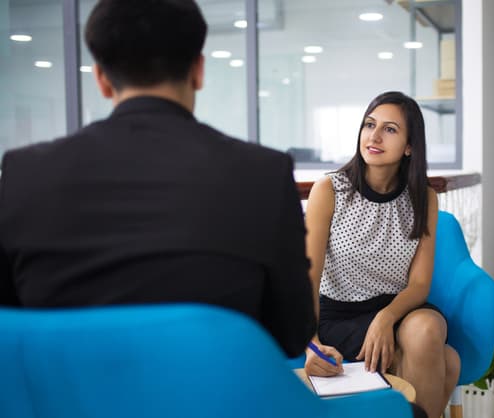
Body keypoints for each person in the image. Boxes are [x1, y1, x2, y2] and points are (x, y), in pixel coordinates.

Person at [0, 0, 315, 357]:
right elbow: (292, 333)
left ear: (101, 79)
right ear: (198, 71)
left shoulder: (22, 174)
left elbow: (9, 330)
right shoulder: (264, 174)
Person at [303, 91, 460, 418]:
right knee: (449, 362)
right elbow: (308, 277)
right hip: (340, 314)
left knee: (427, 330)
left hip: (397, 308)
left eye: (390, 129)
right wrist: (310, 343)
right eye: (369, 125)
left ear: (409, 146)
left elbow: (418, 285)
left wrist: (385, 318)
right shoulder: (329, 190)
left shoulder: (424, 198)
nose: (374, 136)